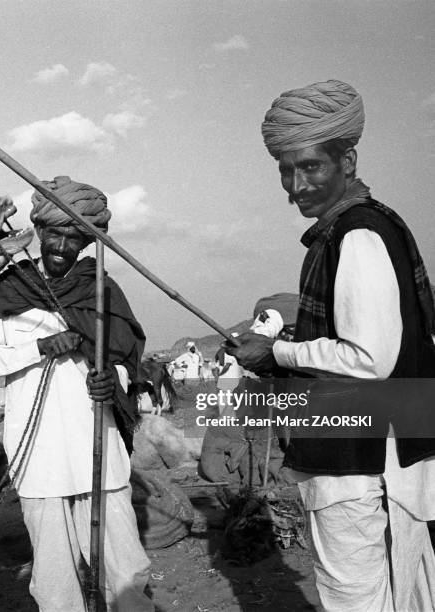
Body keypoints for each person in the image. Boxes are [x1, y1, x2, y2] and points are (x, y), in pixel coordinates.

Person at [226, 79, 435, 610]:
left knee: (357, 597)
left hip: (362, 464)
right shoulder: (351, 230)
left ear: (348, 159)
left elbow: (370, 358)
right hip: (373, 453)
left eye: (310, 166)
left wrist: (275, 352)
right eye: (285, 170)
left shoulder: (357, 234)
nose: (296, 185)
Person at [0, 176, 153, 612]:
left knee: (126, 573)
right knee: (54, 583)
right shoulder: (13, 288)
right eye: (55, 234)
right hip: (39, 457)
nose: (62, 247)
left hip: (98, 452)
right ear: (40, 229)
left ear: (87, 243)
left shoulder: (102, 289)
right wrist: (37, 348)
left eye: (74, 239)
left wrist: (116, 379)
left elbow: (128, 360)